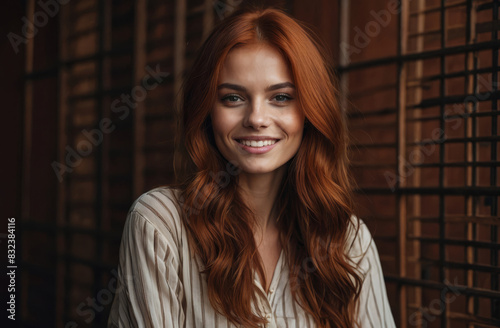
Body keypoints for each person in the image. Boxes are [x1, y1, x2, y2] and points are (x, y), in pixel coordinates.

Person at [108, 5, 396, 328]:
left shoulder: (349, 241)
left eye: (281, 98)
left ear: (310, 110)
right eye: (233, 98)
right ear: (207, 111)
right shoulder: (159, 225)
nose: (257, 118)